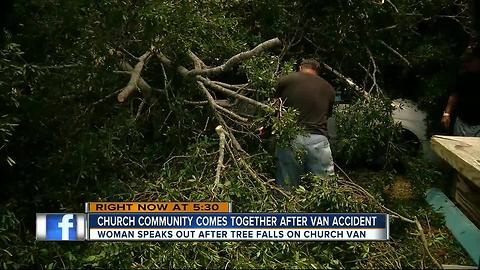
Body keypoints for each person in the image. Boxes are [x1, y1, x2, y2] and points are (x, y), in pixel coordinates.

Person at [274, 59, 335, 187]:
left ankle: (287, 206)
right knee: (324, 189)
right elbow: (328, 116)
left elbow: (275, 109)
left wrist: (268, 130)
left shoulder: (285, 80)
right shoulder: (329, 88)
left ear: (300, 67)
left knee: (287, 187)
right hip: (318, 139)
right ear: (317, 71)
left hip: (290, 139)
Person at [441, 46, 480, 137]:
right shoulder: (464, 76)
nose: (468, 64)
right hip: (463, 122)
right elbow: (455, 94)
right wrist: (446, 114)